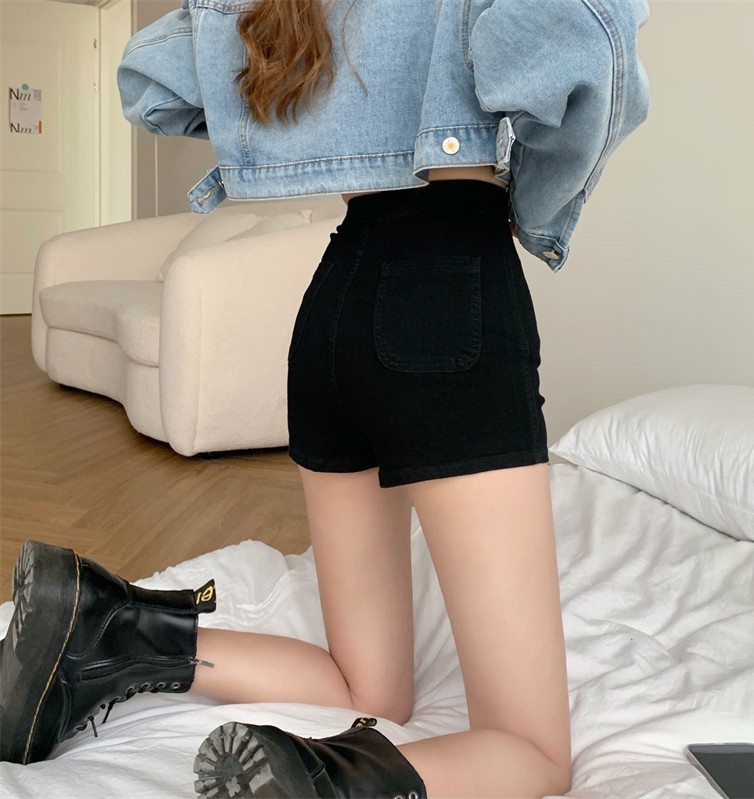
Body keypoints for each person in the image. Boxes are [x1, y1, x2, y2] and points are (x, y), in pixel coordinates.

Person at [0, 0, 651, 796]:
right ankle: (325, 785)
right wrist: (536, 210)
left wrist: (302, 124)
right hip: (451, 295)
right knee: (534, 750)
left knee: (367, 689)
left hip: (333, 304)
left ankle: (113, 630)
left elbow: (151, 83)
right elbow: (592, 50)